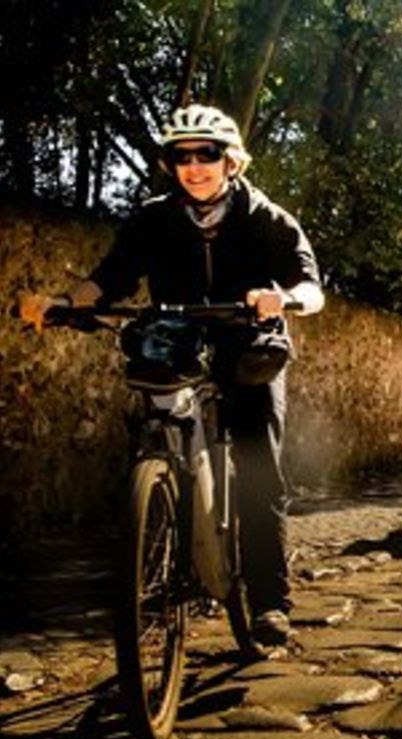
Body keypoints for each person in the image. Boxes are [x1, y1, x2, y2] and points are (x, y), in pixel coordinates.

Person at [20, 104, 324, 647]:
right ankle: (159, 514)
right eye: (179, 156)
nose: (193, 166)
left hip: (246, 341)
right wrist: (66, 302)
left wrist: (282, 300)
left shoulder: (265, 217)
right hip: (175, 336)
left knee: (256, 465)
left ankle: (270, 603)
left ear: (230, 161)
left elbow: (310, 285)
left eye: (206, 154)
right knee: (153, 424)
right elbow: (109, 279)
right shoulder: (152, 219)